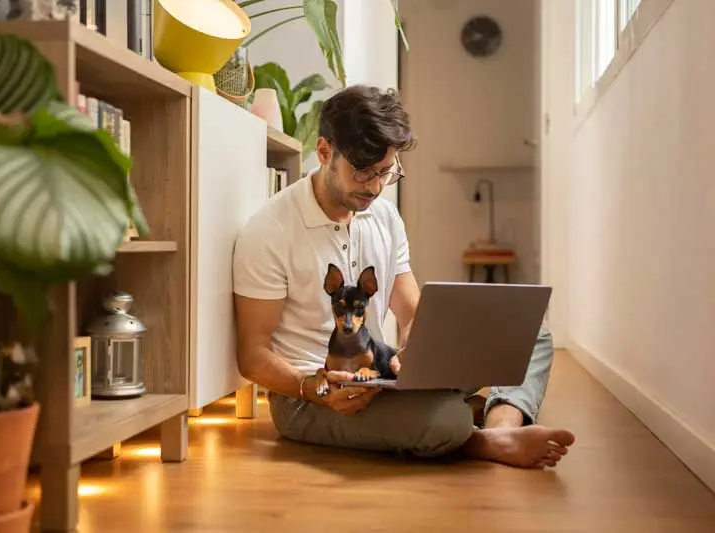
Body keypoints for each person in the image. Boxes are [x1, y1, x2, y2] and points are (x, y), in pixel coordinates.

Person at [232, 84, 575, 468]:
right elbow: (253, 356)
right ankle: (480, 436)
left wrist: (418, 349)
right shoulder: (270, 231)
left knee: (531, 333)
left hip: (377, 373)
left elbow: (410, 311)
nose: (375, 188)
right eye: (363, 172)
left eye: (386, 172)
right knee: (446, 418)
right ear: (325, 152)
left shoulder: (384, 216)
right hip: (311, 396)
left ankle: (499, 426)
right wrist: (310, 388)